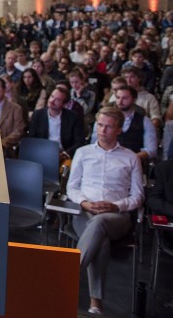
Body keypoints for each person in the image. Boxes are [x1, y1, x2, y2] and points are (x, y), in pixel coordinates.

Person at [66, 107, 144, 316]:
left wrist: (116, 206)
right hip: (85, 212)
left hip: (116, 216)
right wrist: (85, 203)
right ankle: (95, 304)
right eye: (100, 125)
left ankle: (66, 283)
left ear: (118, 130)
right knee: (101, 240)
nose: (102, 130)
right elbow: (71, 187)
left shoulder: (131, 158)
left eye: (108, 126)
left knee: (100, 224)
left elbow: (138, 196)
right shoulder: (83, 153)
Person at [28, 87, 85, 160]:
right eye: (52, 96)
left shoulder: (73, 117)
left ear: (64, 104)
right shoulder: (38, 115)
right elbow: (32, 139)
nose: (52, 101)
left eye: (57, 100)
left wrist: (64, 154)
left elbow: (80, 142)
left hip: (64, 154)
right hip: (43, 153)